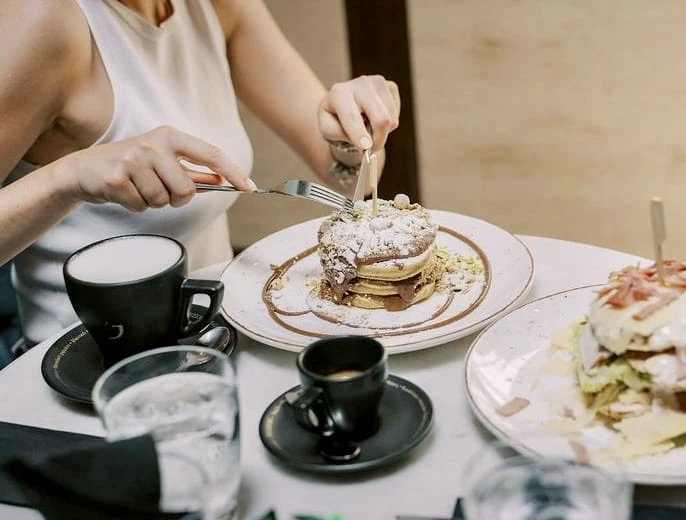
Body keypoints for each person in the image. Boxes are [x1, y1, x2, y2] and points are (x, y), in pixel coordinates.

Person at [0, 0, 401, 353]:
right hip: (87, 369)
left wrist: (354, 136)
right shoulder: (42, 20)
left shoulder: (213, 5)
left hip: (210, 340)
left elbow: (355, 182)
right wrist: (69, 176)